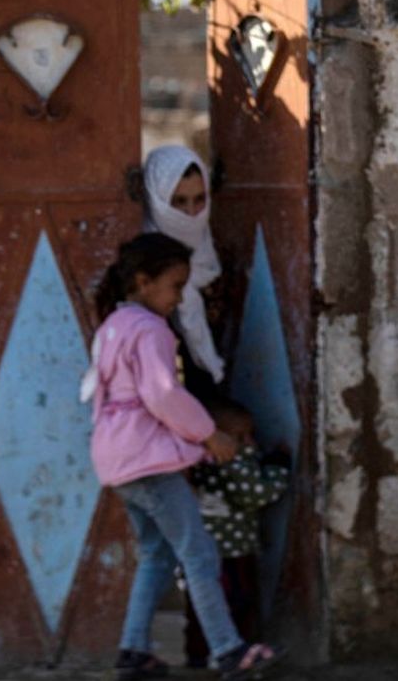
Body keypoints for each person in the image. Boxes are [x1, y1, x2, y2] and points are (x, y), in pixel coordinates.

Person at [82, 233, 280, 681]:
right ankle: (229, 649)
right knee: (199, 552)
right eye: (174, 286)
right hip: (147, 460)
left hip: (116, 458)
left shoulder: (114, 325)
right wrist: (210, 435)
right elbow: (163, 394)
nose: (178, 297)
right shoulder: (151, 330)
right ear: (143, 281)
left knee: (156, 553)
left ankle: (134, 651)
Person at [183, 398, 291, 668]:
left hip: (207, 549)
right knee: (236, 601)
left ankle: (199, 654)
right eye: (242, 437)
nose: (251, 443)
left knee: (202, 605)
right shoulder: (232, 462)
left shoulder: (199, 461)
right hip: (231, 551)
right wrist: (280, 466)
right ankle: (234, 650)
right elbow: (257, 492)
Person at [141, 145, 228, 400]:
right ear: (156, 200)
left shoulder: (208, 260)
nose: (191, 213)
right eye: (178, 202)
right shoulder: (142, 267)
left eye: (199, 199)